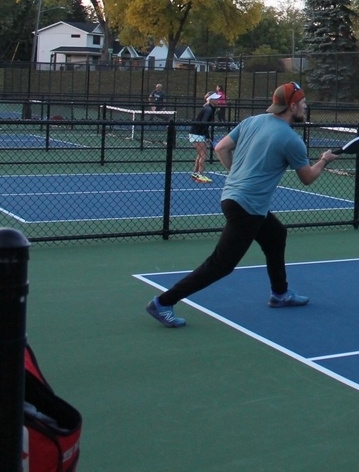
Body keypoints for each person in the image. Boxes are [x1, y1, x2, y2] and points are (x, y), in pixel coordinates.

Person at [145, 82, 339, 328]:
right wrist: (324, 160)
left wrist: (236, 173)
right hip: (247, 207)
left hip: (233, 197)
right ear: (292, 106)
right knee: (221, 265)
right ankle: (163, 302)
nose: (305, 106)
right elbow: (308, 178)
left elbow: (221, 147)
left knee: (276, 234)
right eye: (303, 103)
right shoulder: (292, 140)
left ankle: (280, 294)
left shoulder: (252, 121)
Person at [188, 94, 218, 183]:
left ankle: (195, 173)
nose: (218, 101)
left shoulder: (210, 108)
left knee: (200, 154)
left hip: (198, 133)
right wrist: (207, 136)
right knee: (203, 154)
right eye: (215, 99)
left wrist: (206, 135)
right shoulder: (208, 109)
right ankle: (200, 175)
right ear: (211, 100)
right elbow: (204, 122)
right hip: (197, 133)